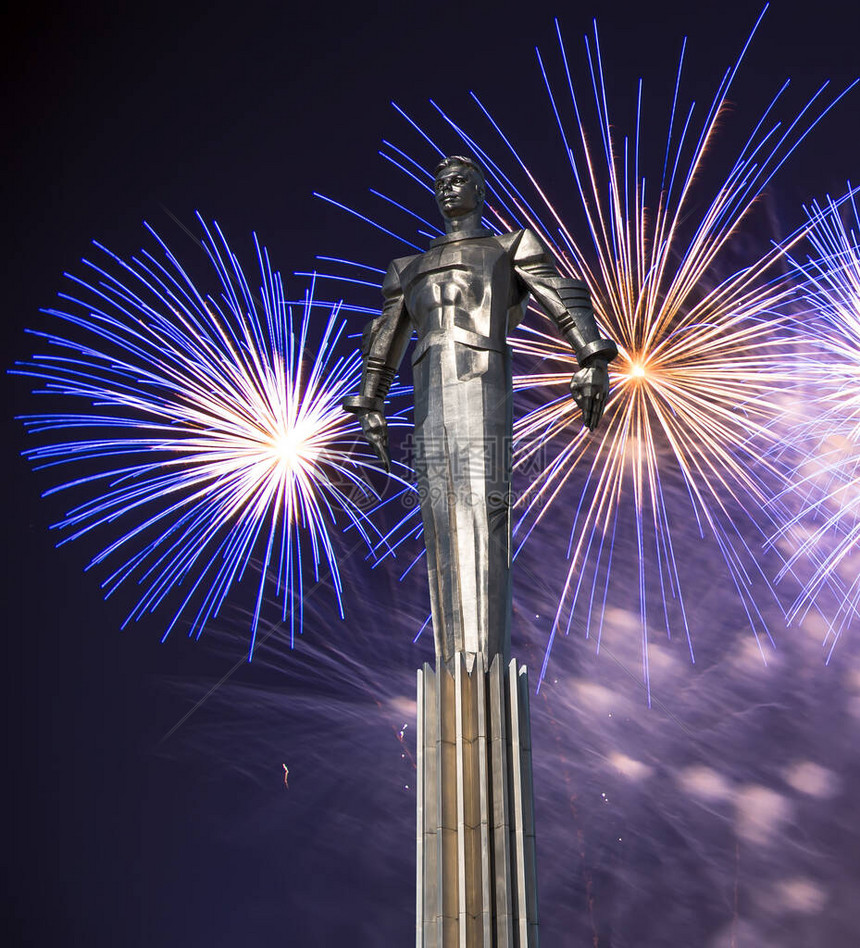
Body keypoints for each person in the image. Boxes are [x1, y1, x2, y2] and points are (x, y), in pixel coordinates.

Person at [344, 156, 616, 669]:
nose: (448, 190)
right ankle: (459, 672)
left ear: (479, 189)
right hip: (429, 400)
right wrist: (372, 401)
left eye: (458, 181)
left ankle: (482, 671)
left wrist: (591, 356)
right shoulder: (407, 269)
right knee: (438, 517)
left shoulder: (508, 246)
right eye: (440, 183)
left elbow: (563, 297)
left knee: (483, 511)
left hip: (482, 381)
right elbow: (383, 339)